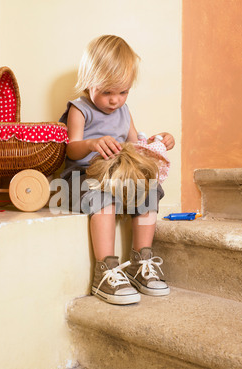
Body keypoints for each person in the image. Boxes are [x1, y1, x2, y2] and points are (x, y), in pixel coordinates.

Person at [59, 35, 175, 305]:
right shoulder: (80, 109)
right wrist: (91, 143)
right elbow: (71, 149)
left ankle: (141, 260)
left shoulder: (125, 111)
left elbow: (136, 146)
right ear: (89, 82)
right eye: (107, 92)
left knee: (149, 189)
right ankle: (105, 269)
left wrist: (159, 140)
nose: (115, 101)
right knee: (103, 198)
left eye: (123, 92)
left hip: (117, 175)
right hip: (84, 176)